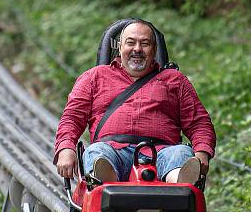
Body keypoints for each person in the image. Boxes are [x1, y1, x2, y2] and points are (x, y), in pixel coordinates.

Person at [54, 19, 216, 185]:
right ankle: (105, 185)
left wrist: (202, 151)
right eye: (130, 43)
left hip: (163, 153)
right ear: (120, 47)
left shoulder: (175, 80)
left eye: (144, 44)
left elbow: (199, 122)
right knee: (96, 152)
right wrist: (66, 148)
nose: (137, 49)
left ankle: (180, 183)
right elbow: (72, 117)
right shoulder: (94, 77)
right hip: (111, 151)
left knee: (181, 152)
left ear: (154, 49)